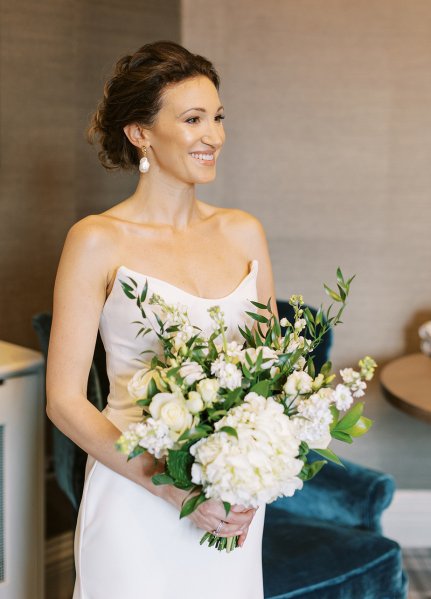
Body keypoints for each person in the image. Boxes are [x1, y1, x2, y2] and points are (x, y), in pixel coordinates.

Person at [46, 40, 278, 599]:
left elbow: (270, 373)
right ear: (140, 133)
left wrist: (252, 471)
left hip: (233, 500)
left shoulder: (244, 231)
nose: (214, 136)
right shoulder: (96, 239)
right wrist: (172, 488)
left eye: (217, 117)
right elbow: (64, 401)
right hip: (136, 496)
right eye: (193, 119)